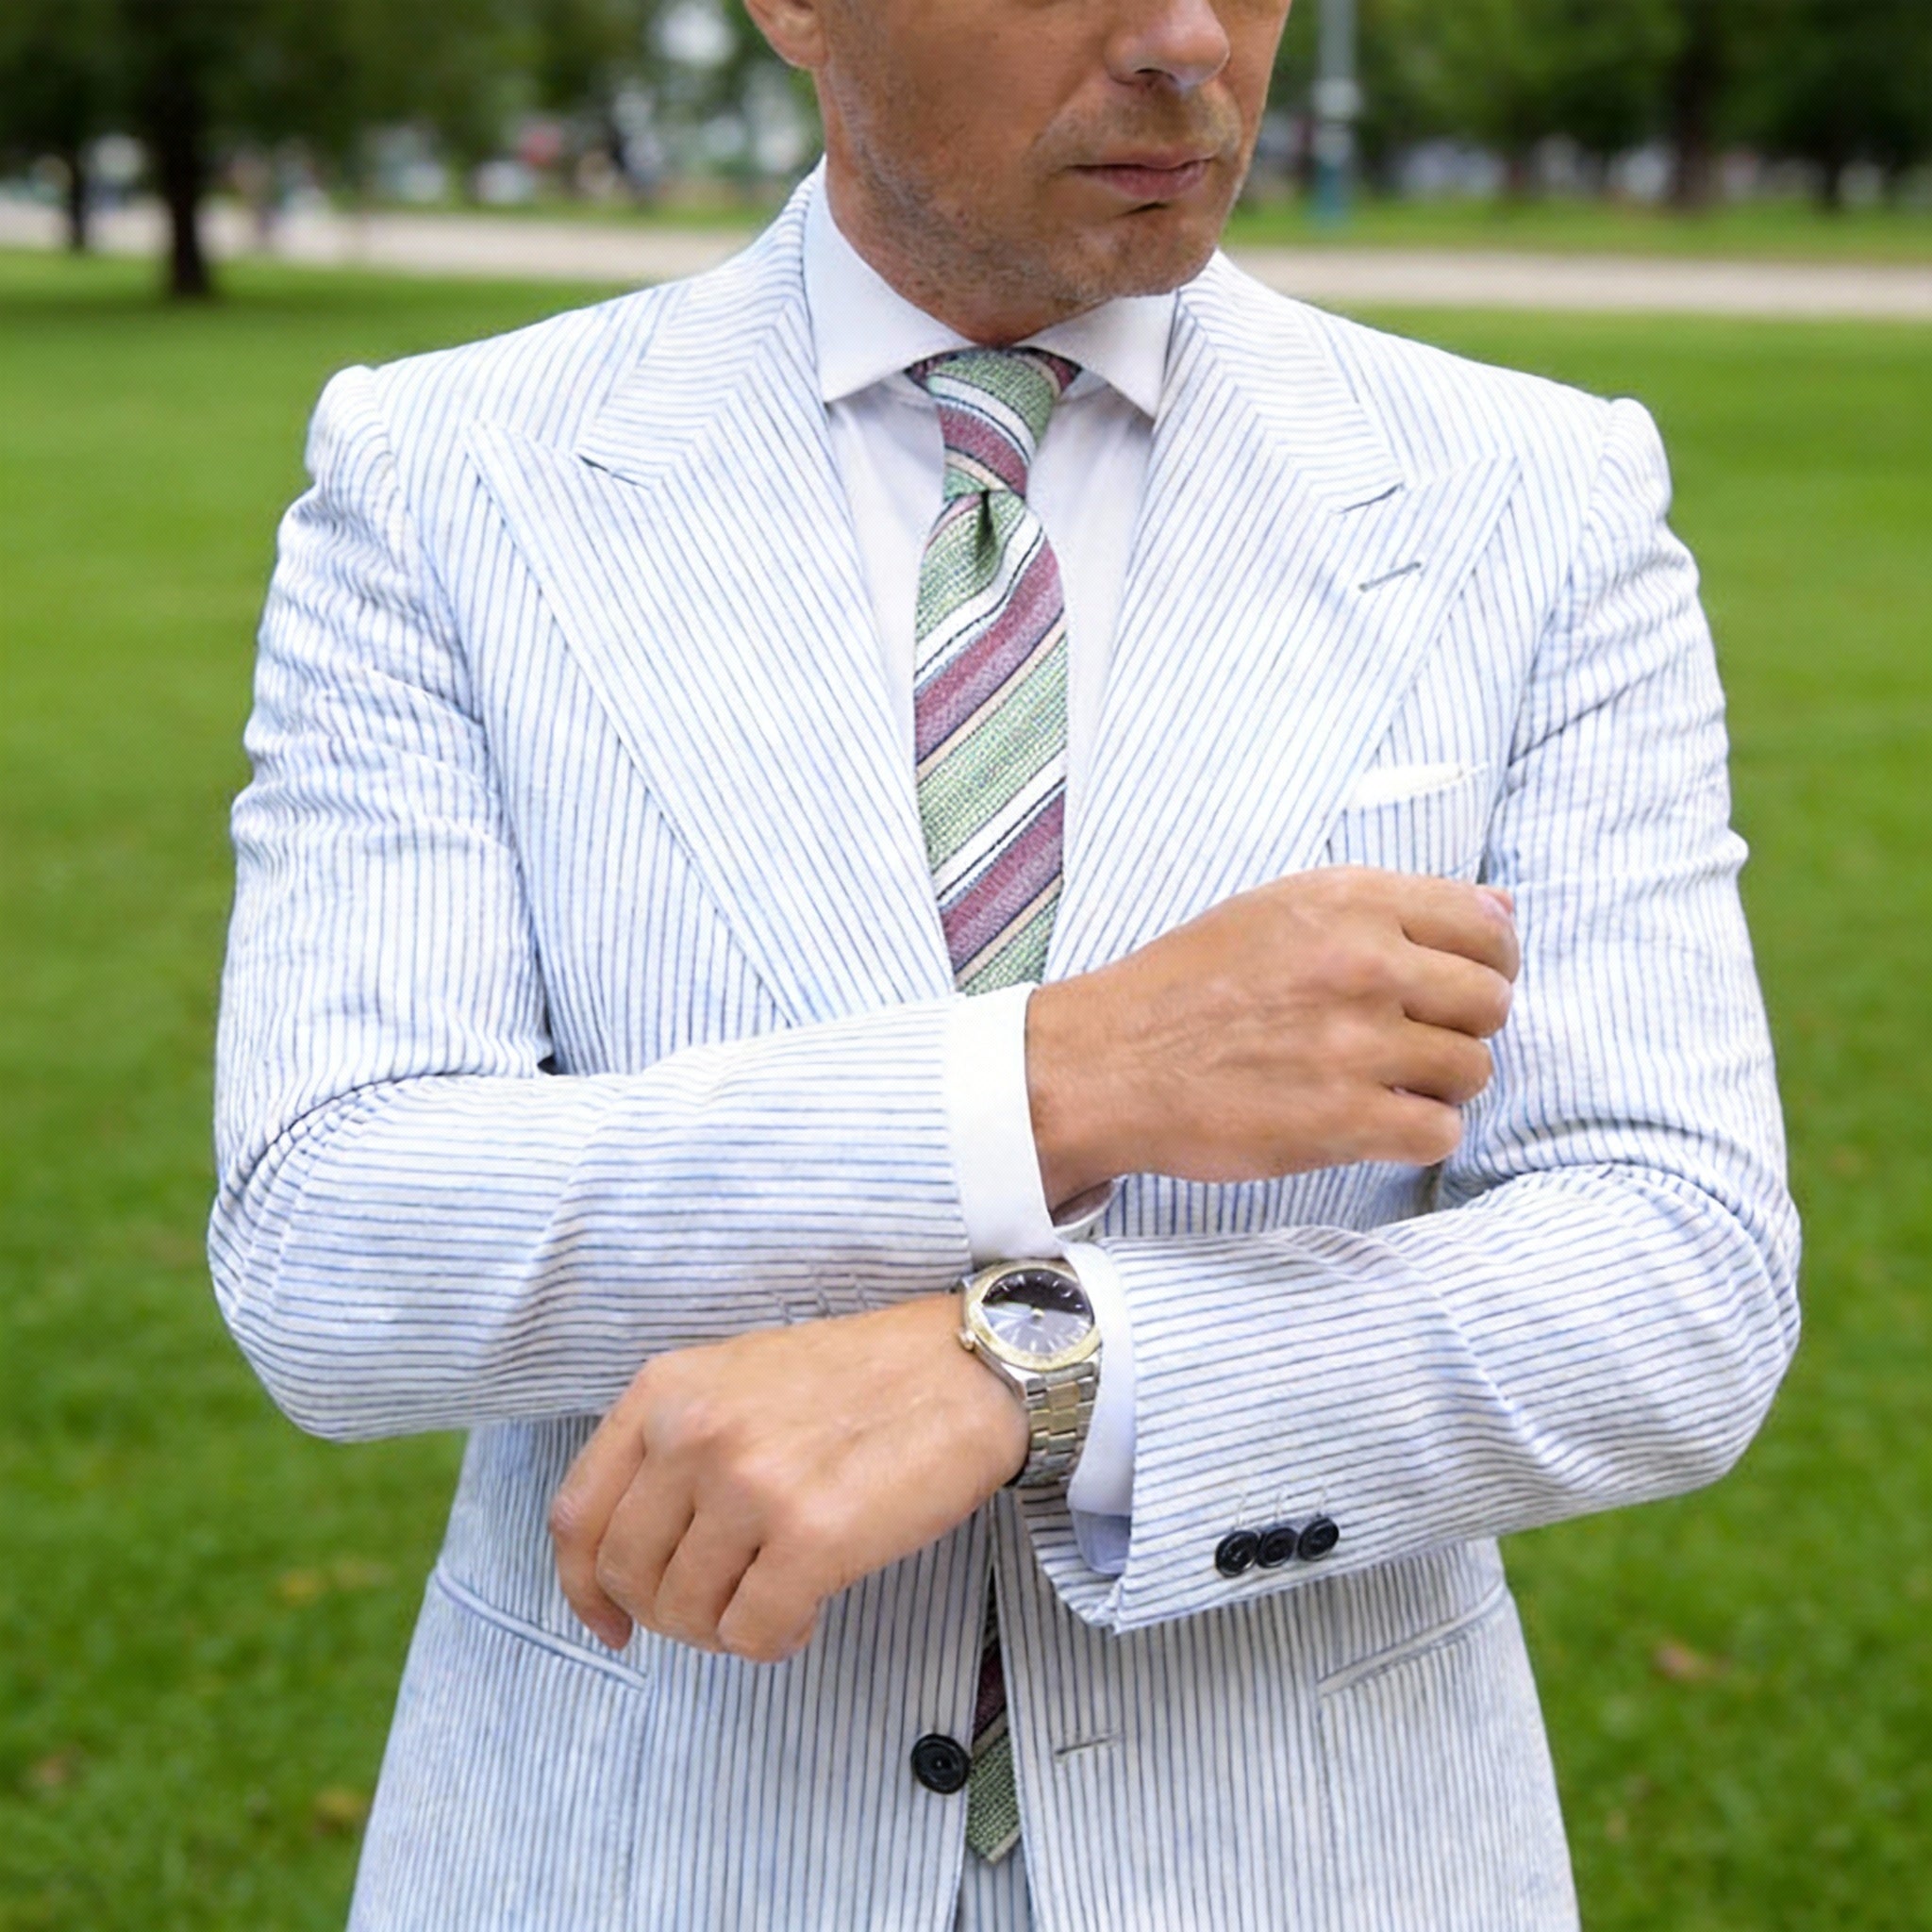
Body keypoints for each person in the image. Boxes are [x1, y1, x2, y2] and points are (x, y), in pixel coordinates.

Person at [209, 0, 1800, 1925]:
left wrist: (1038, 1371)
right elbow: (332, 1241)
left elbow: (1674, 1272)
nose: (1185, 37)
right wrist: (1055, 1080)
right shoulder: (450, 477)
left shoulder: (1530, 497)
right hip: (636, 1852)